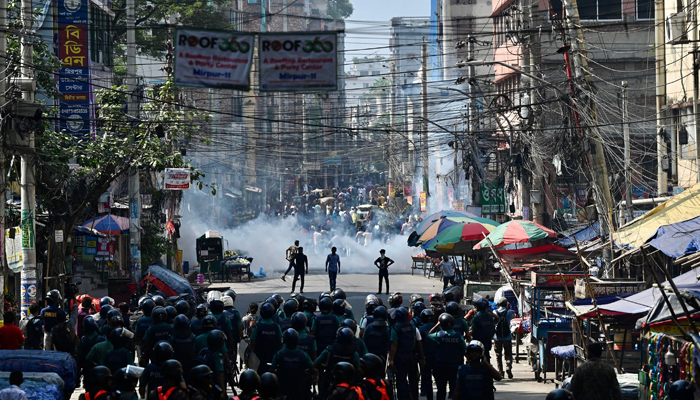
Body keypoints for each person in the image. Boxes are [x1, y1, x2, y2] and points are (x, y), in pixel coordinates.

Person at [429, 313, 467, 400]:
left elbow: (429, 335)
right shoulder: (458, 336)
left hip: (441, 366)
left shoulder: (439, 335)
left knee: (441, 389)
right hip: (455, 365)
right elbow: (464, 348)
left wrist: (437, 325)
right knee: (454, 388)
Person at [388, 307, 424, 400]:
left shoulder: (395, 328)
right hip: (411, 356)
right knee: (413, 379)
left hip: (400, 357)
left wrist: (391, 360)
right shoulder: (412, 327)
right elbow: (415, 341)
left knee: (401, 380)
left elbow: (394, 344)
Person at [270, 329, 316, 400]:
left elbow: (271, 371)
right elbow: (313, 369)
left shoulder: (279, 354)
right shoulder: (303, 355)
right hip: (299, 389)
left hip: (283, 389)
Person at [249, 302, 282, 375]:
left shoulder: (257, 326)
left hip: (260, 358)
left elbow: (252, 342)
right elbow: (280, 342)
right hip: (273, 359)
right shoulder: (277, 327)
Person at [469, 298, 497, 363]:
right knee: (486, 357)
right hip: (487, 341)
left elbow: (472, 330)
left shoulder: (476, 317)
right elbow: (493, 326)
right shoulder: (490, 315)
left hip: (478, 342)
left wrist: (467, 334)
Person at [418, 309, 437, 400]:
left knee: (426, 376)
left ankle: (428, 395)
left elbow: (418, 344)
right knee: (438, 376)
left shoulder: (420, 329)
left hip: (425, 356)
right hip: (437, 356)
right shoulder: (438, 328)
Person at [494, 297, 515, 378]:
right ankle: (508, 366)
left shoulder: (494, 312)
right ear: (506, 304)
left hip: (497, 337)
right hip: (507, 337)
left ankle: (500, 372)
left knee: (498, 355)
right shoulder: (509, 312)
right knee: (508, 353)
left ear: (498, 304)